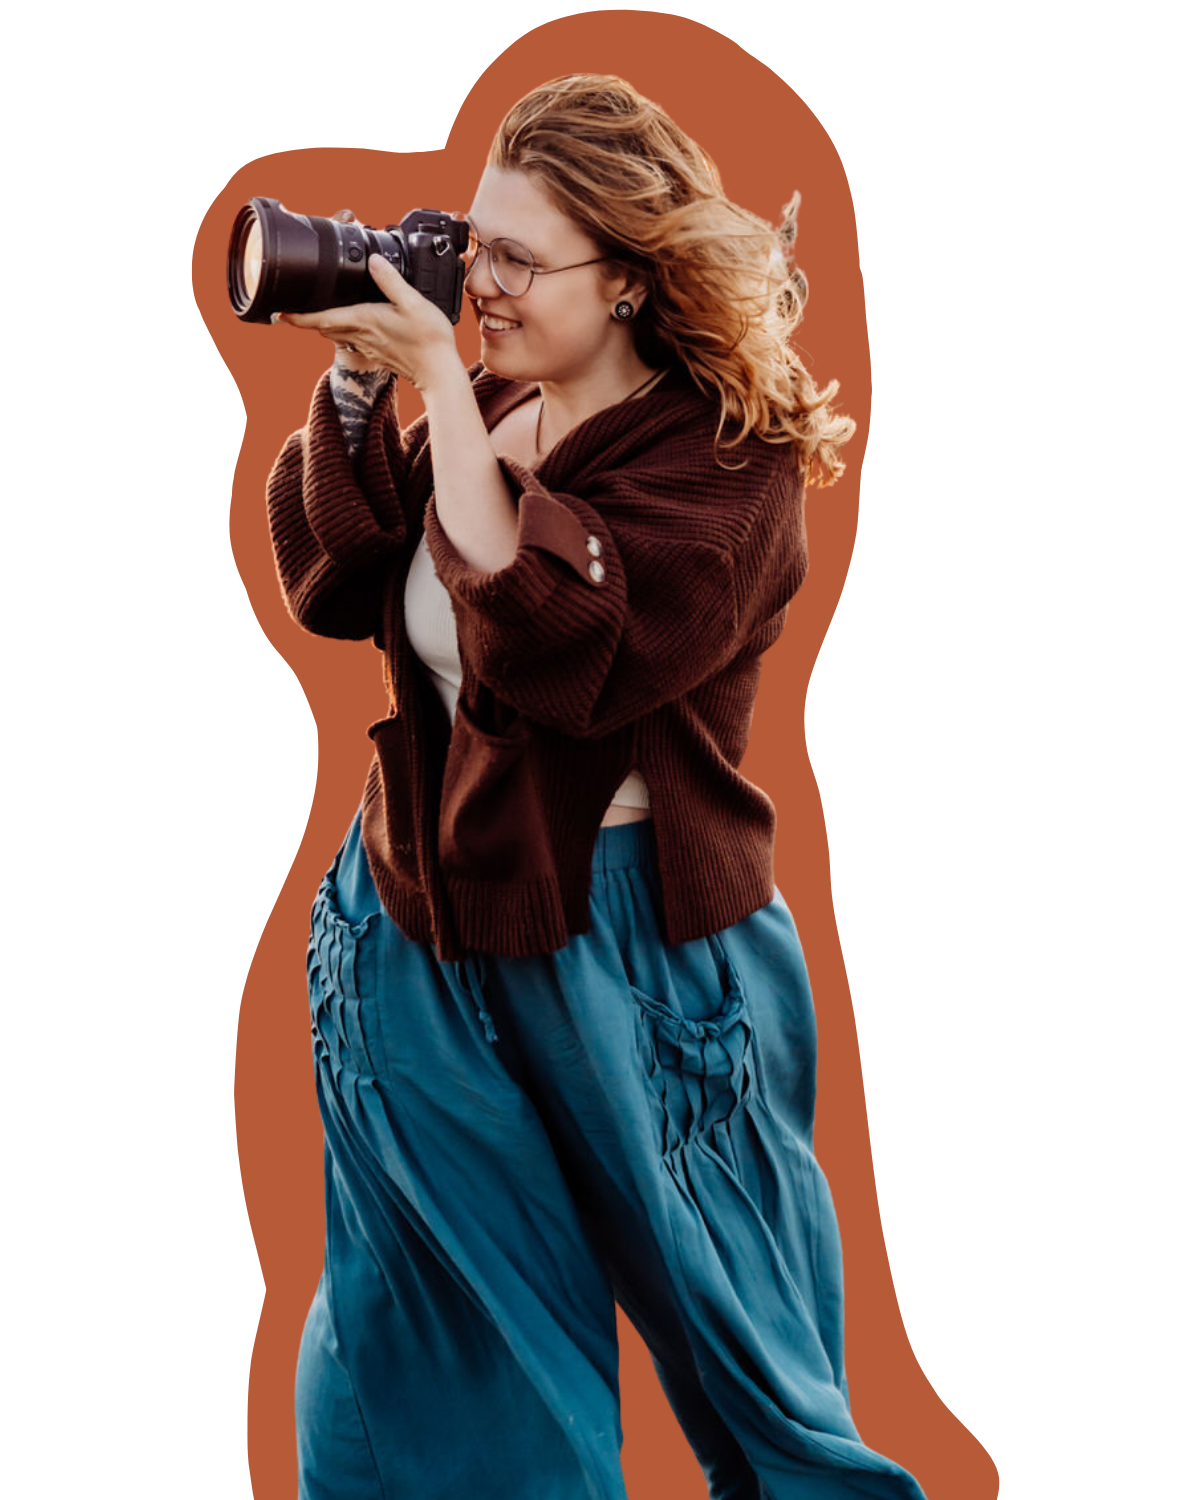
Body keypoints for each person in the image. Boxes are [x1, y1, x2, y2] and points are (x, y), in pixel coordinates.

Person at [268, 74, 927, 1500]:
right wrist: (362, 380)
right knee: (434, 1356)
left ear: (628, 281)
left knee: (758, 1377)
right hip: (422, 925)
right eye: (473, 239)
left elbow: (562, 650)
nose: (477, 284)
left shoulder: (729, 474)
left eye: (517, 260)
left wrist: (440, 384)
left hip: (644, 958)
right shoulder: (492, 392)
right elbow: (330, 580)